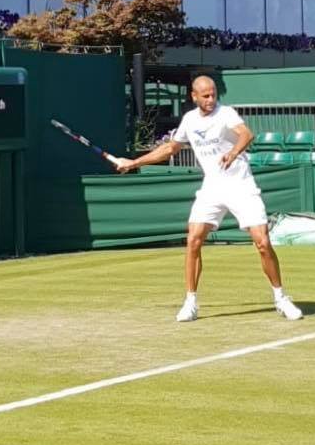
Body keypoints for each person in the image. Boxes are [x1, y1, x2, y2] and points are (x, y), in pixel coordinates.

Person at [116, 75, 303, 322]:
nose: (211, 99)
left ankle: (281, 298)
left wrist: (234, 152)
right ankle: (191, 302)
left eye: (213, 94)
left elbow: (246, 134)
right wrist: (134, 162)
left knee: (262, 242)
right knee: (193, 240)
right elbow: (170, 148)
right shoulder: (189, 120)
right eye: (205, 95)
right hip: (212, 188)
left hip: (241, 186)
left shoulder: (226, 113)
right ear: (193, 96)